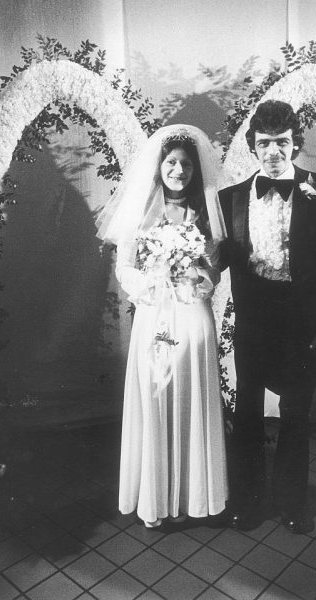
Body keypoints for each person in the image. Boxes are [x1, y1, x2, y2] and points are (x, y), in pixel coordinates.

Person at [219, 100, 316, 534]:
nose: (272, 151)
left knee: (296, 413)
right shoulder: (231, 197)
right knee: (249, 411)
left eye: (281, 143)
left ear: (294, 146)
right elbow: (219, 257)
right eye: (264, 144)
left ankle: (293, 503)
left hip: (301, 319)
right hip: (254, 319)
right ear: (252, 147)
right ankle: (248, 502)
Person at [97, 124, 228, 528]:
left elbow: (217, 268)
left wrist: (201, 277)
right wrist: (150, 284)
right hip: (155, 311)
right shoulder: (140, 210)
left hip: (192, 315)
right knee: (155, 393)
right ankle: (155, 498)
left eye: (186, 164)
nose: (179, 170)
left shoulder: (207, 211)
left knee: (192, 394)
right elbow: (123, 267)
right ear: (160, 165)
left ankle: (193, 497)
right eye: (172, 162)